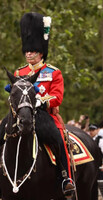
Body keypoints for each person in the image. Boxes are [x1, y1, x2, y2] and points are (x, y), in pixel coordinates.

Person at [13, 12, 75, 197]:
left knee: (58, 139)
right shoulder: (19, 72)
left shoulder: (53, 72)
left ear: (41, 52)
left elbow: (57, 97)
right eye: (27, 51)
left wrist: (41, 100)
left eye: (32, 51)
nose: (29, 53)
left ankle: (66, 177)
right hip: (21, 114)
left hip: (43, 115)